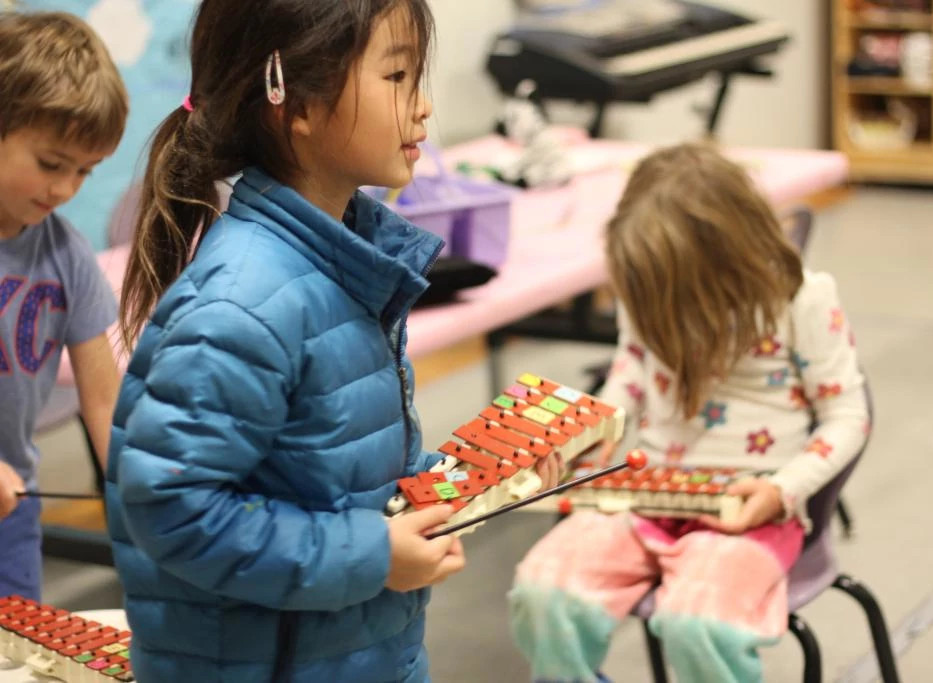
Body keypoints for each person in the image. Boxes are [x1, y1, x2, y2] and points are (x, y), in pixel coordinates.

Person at [106, 1, 560, 680]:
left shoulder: (340, 263)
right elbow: (174, 507)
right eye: (397, 77)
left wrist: (475, 482)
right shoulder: (244, 302)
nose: (424, 106)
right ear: (294, 103)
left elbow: (336, 477)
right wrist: (373, 555)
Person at [509, 143, 870, 683]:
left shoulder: (803, 300)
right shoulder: (652, 286)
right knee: (543, 592)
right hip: (646, 494)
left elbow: (847, 416)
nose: (664, 312)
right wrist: (597, 425)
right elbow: (631, 368)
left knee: (698, 625)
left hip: (750, 510)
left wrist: (783, 489)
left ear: (732, 262)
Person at [0, 11, 127, 601]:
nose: (65, 189)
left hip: (13, 509)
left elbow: (102, 398)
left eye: (84, 172)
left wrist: (132, 484)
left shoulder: (66, 254)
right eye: (51, 165)